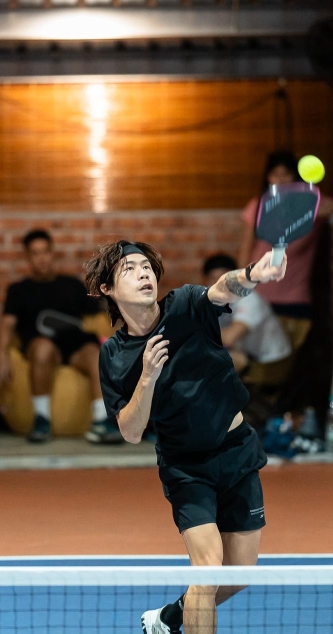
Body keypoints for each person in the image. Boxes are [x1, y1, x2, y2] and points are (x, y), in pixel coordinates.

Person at [85, 240, 286, 634]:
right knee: (207, 570)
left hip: (237, 451)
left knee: (240, 576)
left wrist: (253, 274)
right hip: (186, 468)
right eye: (129, 269)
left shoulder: (185, 305)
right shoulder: (114, 356)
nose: (143, 273)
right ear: (107, 288)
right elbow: (130, 431)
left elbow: (223, 289)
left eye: (146, 266)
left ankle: (168, 617)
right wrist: (147, 377)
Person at [0, 229, 119, 444]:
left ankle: (101, 421)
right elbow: (7, 325)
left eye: (45, 252)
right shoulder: (19, 290)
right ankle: (42, 419)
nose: (42, 258)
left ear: (52, 254)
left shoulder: (71, 285)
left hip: (75, 344)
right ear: (28, 258)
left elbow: (101, 311)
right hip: (41, 345)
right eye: (35, 253)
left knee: (96, 354)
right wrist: (2, 355)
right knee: (43, 348)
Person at [236, 150, 333, 319]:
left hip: (295, 297)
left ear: (295, 176)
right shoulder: (259, 205)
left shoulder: (310, 202)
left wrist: (302, 213)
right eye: (275, 174)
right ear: (268, 178)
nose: (281, 180)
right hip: (258, 292)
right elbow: (246, 248)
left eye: (286, 174)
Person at [201, 253, 291, 372]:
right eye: (213, 279)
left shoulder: (249, 299)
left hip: (270, 362)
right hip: (245, 353)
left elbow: (229, 338)